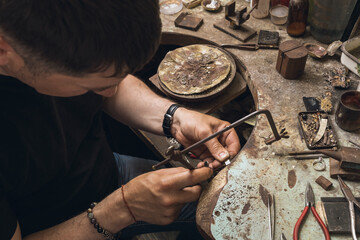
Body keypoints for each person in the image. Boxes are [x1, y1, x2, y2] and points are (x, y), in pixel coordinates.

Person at [0, 1, 240, 239]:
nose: (113, 90)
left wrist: (175, 118)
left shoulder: (51, 44)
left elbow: (113, 83)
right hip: (57, 229)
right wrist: (122, 209)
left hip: (109, 174)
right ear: (4, 51)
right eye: (95, 86)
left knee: (234, 209)